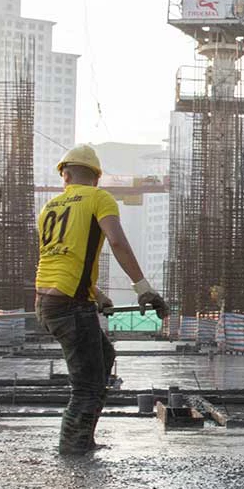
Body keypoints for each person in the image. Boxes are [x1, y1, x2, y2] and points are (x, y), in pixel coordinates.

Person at [34, 144, 170, 456]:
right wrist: (143, 288)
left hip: (47, 299)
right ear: (96, 178)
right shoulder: (99, 198)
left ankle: (82, 439)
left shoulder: (50, 208)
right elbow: (117, 240)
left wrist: (96, 294)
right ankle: (74, 449)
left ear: (65, 175)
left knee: (104, 356)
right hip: (69, 304)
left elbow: (59, 257)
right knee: (87, 387)